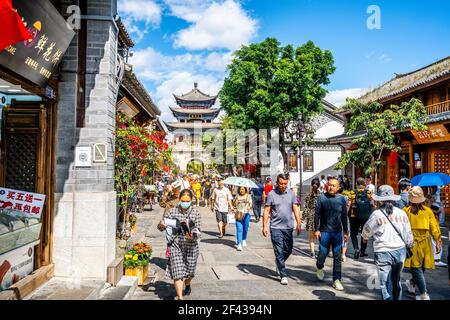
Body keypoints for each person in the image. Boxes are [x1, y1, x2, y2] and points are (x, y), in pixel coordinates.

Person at [361, 185, 414, 300]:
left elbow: (366, 230)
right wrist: (410, 245)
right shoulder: (402, 213)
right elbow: (408, 233)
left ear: (380, 200)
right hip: (400, 251)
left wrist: (365, 237)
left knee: (384, 283)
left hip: (383, 251)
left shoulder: (377, 214)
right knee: (396, 279)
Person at [157, 189, 201, 300]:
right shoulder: (172, 211)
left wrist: (193, 234)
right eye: (183, 200)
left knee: (190, 272)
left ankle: (187, 284)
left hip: (191, 247)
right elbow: (160, 226)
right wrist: (162, 225)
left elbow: (198, 231)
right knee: (178, 272)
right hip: (176, 245)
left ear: (191, 200)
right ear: (179, 199)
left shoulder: (196, 213)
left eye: (187, 201)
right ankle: (180, 298)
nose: (185, 203)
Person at [403, 186, 442, 300]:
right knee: (417, 268)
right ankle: (424, 294)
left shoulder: (410, 211)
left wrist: (438, 241)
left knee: (421, 268)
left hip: (419, 242)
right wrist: (438, 241)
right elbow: (434, 228)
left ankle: (411, 283)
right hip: (417, 243)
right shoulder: (407, 211)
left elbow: (434, 228)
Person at [262, 173, 301, 285]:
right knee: (279, 250)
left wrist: (298, 223)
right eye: (281, 183)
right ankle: (283, 274)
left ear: (287, 182)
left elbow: (296, 208)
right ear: (277, 182)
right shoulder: (271, 194)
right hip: (275, 227)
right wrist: (264, 226)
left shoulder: (292, 194)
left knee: (288, 249)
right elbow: (266, 210)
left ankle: (279, 261)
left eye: (285, 183)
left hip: (288, 226)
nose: (283, 185)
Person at [314, 178, 349, 291]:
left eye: (334, 186)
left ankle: (336, 280)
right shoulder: (321, 198)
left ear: (338, 187)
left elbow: (344, 216)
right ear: (326, 186)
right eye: (329, 185)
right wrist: (316, 229)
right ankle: (319, 267)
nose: (331, 187)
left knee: (337, 257)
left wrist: (346, 231)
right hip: (324, 231)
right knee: (322, 254)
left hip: (337, 232)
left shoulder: (342, 199)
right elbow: (317, 215)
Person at [348, 177, 373, 259]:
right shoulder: (369, 192)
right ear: (364, 184)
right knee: (364, 234)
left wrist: (345, 213)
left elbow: (349, 204)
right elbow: (372, 204)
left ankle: (356, 249)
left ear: (356, 184)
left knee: (354, 234)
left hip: (354, 216)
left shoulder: (352, 192)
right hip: (365, 216)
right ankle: (362, 251)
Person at [303, 178, 320, 258]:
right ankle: (323, 251)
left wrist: (303, 217)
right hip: (319, 217)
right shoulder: (321, 196)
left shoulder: (308, 196)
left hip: (310, 217)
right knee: (321, 236)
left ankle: (312, 252)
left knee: (311, 237)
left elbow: (306, 208)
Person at [233, 186, 253, 251]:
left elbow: (250, 204)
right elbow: (234, 205)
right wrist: (235, 201)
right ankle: (239, 244)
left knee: (245, 228)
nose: (241, 190)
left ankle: (244, 239)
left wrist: (246, 208)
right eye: (240, 189)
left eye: (243, 189)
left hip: (246, 214)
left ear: (245, 190)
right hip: (238, 214)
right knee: (239, 229)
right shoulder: (237, 196)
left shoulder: (248, 196)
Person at [430, 203, 447, 267]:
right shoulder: (429, 211)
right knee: (435, 243)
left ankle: (435, 259)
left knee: (434, 243)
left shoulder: (431, 210)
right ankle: (436, 260)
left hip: (435, 228)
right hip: (433, 230)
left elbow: (439, 210)